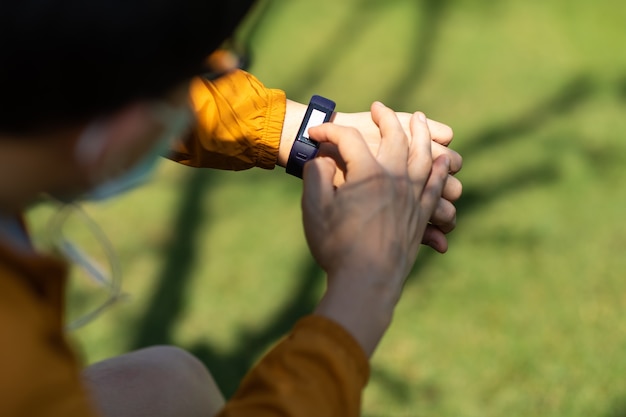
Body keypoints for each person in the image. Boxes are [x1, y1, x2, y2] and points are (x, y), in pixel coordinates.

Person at [0, 1, 462, 417]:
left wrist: (300, 132)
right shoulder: (17, 357)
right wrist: (365, 288)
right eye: (197, 73)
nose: (197, 95)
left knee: (167, 383)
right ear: (114, 128)